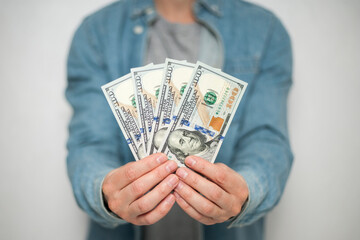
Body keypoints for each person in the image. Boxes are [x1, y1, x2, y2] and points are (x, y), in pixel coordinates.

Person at [66, 0, 293, 239]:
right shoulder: (95, 32)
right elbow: (88, 143)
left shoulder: (265, 29)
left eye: (182, 138)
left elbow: (267, 139)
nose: (183, 136)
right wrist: (104, 191)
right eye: (181, 140)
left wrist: (248, 190)